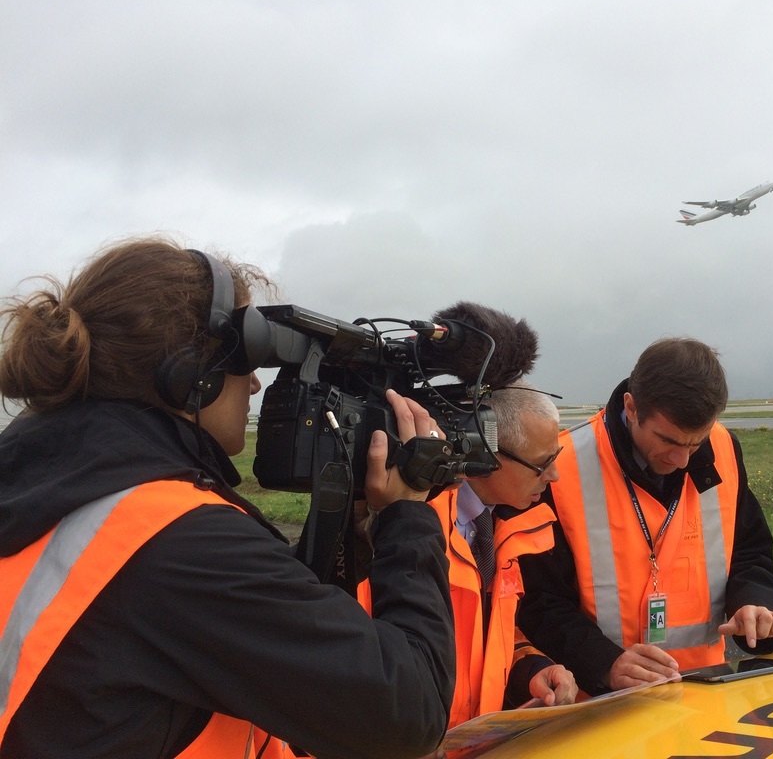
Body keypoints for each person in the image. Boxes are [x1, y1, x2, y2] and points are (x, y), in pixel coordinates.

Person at [0, 236, 455, 758]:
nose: (256, 387)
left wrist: (351, 528)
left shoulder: (53, 487)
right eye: (246, 359)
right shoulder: (174, 540)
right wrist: (408, 516)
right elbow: (409, 714)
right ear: (191, 373)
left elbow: (235, 621)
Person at [516, 337, 773, 696]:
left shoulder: (723, 446)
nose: (682, 460)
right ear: (631, 408)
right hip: (602, 703)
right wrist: (604, 662)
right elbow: (539, 600)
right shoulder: (563, 464)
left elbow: (750, 551)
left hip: (706, 692)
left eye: (696, 443)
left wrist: (755, 605)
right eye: (669, 441)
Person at [383, 380, 578, 729]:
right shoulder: (410, 530)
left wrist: (529, 668)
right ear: (485, 454)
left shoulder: (506, 524)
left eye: (557, 457)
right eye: (542, 463)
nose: (555, 475)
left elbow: (486, 633)